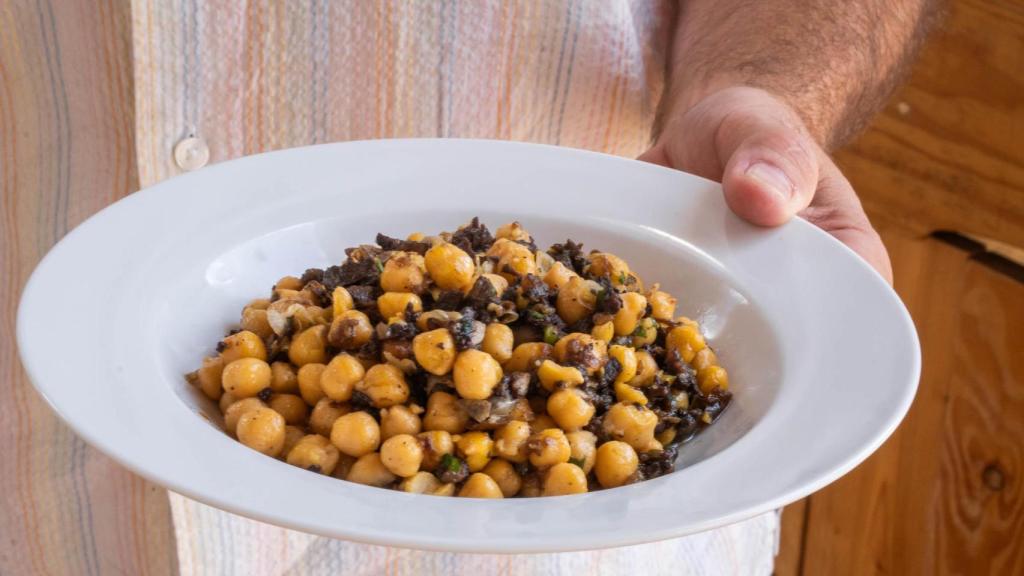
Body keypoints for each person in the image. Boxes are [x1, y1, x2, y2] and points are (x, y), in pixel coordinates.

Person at [2, 1, 940, 574]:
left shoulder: (570, 381)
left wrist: (758, 84)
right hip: (59, 457)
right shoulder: (308, 367)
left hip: (600, 539)